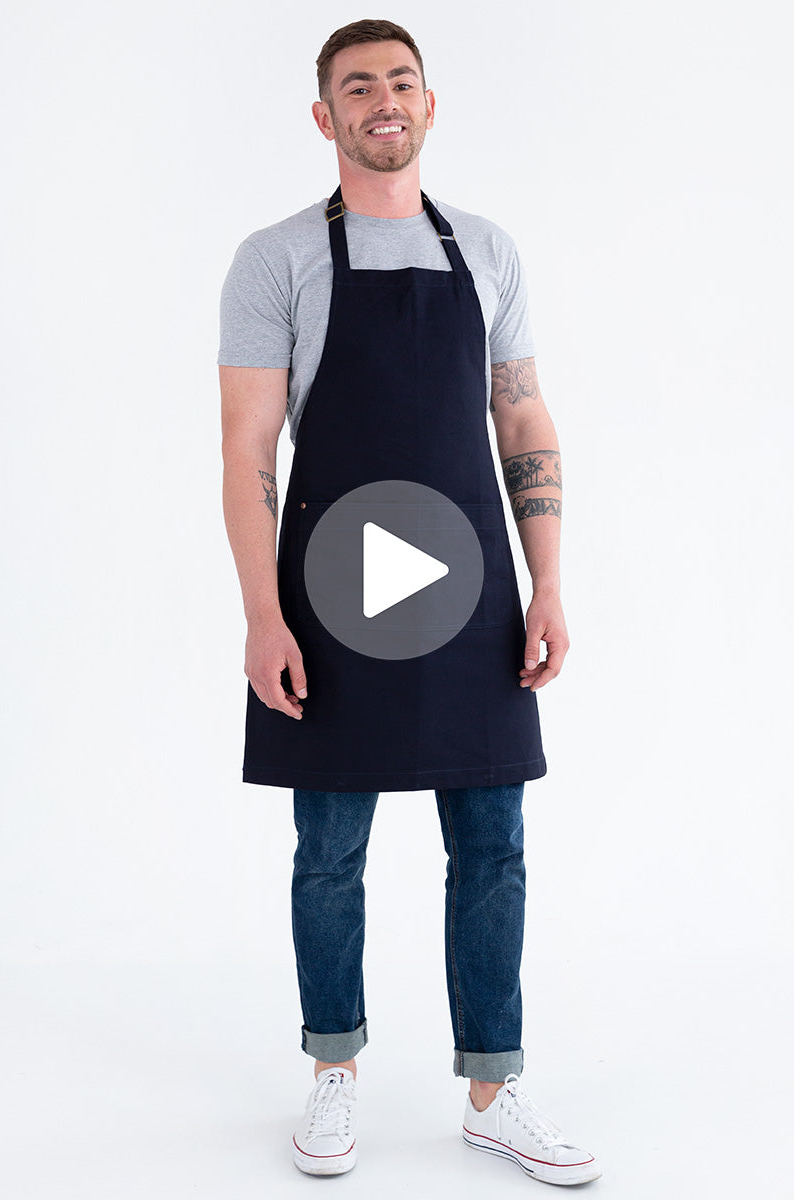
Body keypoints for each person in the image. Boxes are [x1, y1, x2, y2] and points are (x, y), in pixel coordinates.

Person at [218, 18, 601, 1186]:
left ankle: (492, 1089)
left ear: (429, 105)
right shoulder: (275, 258)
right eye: (355, 87)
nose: (381, 99)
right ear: (323, 117)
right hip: (328, 594)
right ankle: (332, 1072)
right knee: (328, 850)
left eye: (400, 81)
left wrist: (547, 581)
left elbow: (519, 413)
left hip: (470, 586)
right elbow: (246, 451)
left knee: (492, 845)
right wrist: (261, 615)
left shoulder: (485, 248)